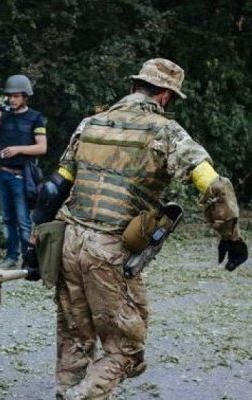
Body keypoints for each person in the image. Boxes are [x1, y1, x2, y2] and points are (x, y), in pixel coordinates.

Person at [29, 58, 248, 400]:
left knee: (75, 336)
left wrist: (34, 246)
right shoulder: (165, 131)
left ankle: (68, 390)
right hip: (110, 250)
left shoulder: (91, 124)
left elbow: (53, 189)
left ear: (135, 86)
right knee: (126, 350)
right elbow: (213, 185)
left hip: (70, 242)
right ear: (165, 96)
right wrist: (230, 236)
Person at [0, 74, 47, 269]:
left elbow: (42, 147)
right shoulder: (4, 116)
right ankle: (11, 257)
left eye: (16, 96)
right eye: (10, 96)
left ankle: (28, 259)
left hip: (21, 176)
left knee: (23, 220)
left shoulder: (35, 118)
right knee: (7, 219)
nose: (12, 100)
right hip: (2, 174)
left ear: (25, 97)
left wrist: (18, 149)